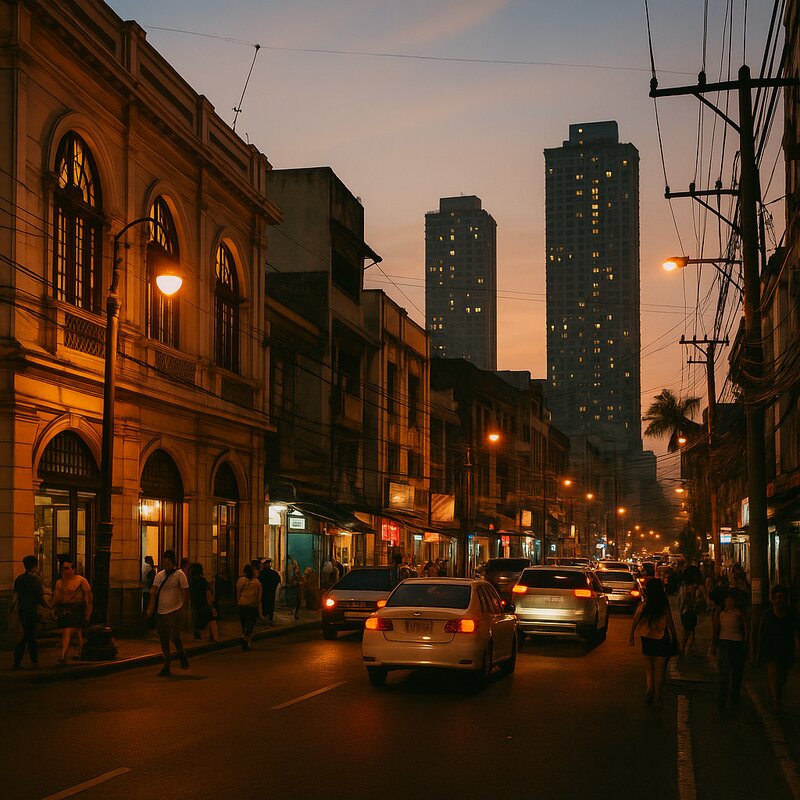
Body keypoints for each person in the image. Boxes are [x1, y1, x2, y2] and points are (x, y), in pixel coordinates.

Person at [629, 577, 678, 709]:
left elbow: (636, 619)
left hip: (647, 638)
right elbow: (670, 622)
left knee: (649, 667)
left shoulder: (645, 604)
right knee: (660, 670)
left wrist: (631, 635)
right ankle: (657, 699)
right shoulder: (664, 604)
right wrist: (674, 636)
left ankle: (649, 688)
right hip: (662, 638)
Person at [147, 549, 190, 676]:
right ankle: (167, 665)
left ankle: (181, 653)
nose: (164, 563)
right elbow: (153, 592)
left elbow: (185, 592)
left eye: (166, 560)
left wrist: (184, 607)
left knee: (174, 636)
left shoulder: (180, 575)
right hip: (161, 611)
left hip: (175, 610)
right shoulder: (159, 575)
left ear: (171, 561)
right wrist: (150, 608)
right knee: (164, 639)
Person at [756, 584, 797, 709]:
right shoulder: (768, 615)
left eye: (782, 597)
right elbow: (760, 632)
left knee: (782, 677)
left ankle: (777, 695)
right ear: (773, 599)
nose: (780, 600)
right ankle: (775, 701)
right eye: (777, 597)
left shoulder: (790, 614)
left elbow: (795, 632)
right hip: (771, 649)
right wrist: (758, 650)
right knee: (773, 675)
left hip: (786, 650)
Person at [712, 588, 749, 712]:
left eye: (732, 599)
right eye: (728, 599)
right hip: (724, 643)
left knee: (737, 672)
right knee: (725, 673)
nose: (729, 601)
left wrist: (746, 642)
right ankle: (722, 699)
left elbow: (746, 627)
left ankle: (734, 697)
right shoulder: (720, 611)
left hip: (737, 643)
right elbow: (716, 628)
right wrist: (713, 644)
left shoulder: (739, 612)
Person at [10, 555, 46, 670]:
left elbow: (15, 595)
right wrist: (48, 607)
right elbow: (40, 597)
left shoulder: (19, 578)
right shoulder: (36, 580)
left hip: (22, 609)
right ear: (35, 565)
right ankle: (25, 660)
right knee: (29, 635)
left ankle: (24, 660)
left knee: (28, 635)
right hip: (31, 610)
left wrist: (13, 608)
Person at [53, 557, 92, 664]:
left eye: (67, 568)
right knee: (73, 631)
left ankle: (67, 653)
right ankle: (73, 652)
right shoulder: (59, 582)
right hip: (65, 609)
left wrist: (88, 611)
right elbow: (57, 598)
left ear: (73, 569)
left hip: (77, 608)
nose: (64, 571)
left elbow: (87, 597)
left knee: (71, 630)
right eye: (62, 569)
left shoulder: (81, 580)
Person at [189, 563, 219, 642]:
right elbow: (208, 594)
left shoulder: (190, 580)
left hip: (195, 604)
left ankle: (198, 635)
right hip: (203, 604)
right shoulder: (202, 581)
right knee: (212, 618)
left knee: (196, 619)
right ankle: (214, 637)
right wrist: (211, 606)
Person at [236, 564, 262, 650]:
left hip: (242, 604)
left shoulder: (241, 581)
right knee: (251, 623)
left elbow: (238, 592)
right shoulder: (256, 582)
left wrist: (238, 602)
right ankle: (246, 639)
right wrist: (258, 606)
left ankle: (245, 638)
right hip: (252, 605)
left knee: (244, 623)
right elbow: (259, 595)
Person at [678, 579, 699, 656]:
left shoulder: (687, 590)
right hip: (689, 613)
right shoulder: (692, 592)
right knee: (690, 632)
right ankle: (685, 650)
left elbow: (682, 603)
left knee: (686, 632)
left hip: (686, 613)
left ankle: (683, 649)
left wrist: (681, 611)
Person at [258, 558, 281, 623]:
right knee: (270, 604)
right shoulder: (274, 573)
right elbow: (278, 581)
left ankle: (267, 618)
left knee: (266, 605)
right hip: (270, 592)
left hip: (265, 592)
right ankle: (270, 618)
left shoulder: (262, 573)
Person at [284, 555, 301, 619]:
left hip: (294, 586)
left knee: (296, 601)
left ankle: (295, 613)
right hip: (293, 587)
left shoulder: (292, 567)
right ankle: (294, 613)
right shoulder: (291, 567)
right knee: (295, 601)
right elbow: (291, 578)